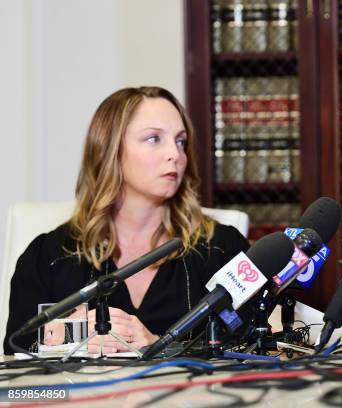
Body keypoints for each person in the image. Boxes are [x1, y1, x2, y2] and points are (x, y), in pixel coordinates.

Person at [3, 87, 250, 355]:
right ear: (109, 150)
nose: (175, 155)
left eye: (181, 141)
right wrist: (62, 337)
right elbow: (15, 346)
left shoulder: (222, 248)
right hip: (83, 397)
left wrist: (159, 345)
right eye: (154, 138)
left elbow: (252, 344)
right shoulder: (49, 255)